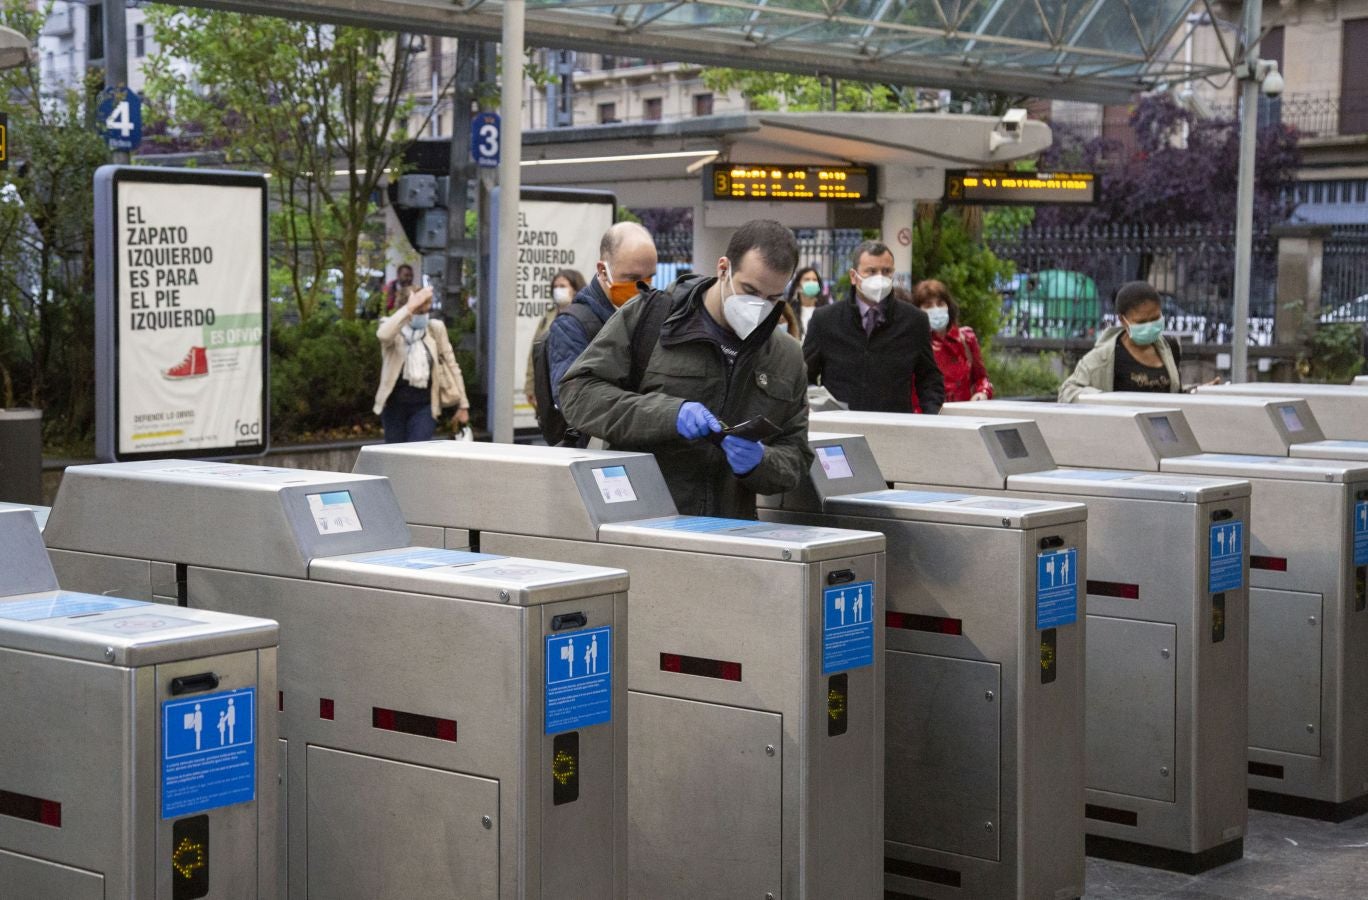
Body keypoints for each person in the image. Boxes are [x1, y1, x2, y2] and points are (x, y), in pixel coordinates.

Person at [559, 219, 813, 519]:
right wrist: (668, 414)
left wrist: (761, 462)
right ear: (723, 269)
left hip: (733, 534)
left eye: (772, 299)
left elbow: (795, 457)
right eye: (749, 290)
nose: (759, 306)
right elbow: (578, 395)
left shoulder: (786, 356)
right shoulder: (652, 319)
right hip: (641, 522)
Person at [803, 239, 945, 414]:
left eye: (886, 271)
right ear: (854, 276)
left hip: (895, 427)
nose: (880, 278)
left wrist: (931, 418)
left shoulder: (914, 321)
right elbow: (804, 376)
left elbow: (929, 378)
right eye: (871, 272)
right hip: (841, 428)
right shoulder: (825, 320)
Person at [545, 223, 658, 410]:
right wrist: (656, 411)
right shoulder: (571, 325)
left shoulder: (651, 313)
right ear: (603, 271)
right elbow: (573, 400)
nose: (643, 288)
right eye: (632, 278)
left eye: (649, 278)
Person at [374, 285, 469, 441]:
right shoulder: (391, 327)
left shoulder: (434, 329)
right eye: (419, 312)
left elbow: (452, 365)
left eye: (426, 312)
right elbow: (383, 336)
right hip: (394, 406)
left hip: (425, 406)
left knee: (417, 453)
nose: (423, 316)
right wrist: (409, 308)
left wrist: (463, 405)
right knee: (395, 456)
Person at [1058, 280, 1182, 402]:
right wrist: (1105, 400)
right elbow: (1067, 392)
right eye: (1141, 322)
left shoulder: (1169, 348)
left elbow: (1176, 391)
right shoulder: (1105, 357)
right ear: (1123, 320)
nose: (1149, 326)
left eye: (1155, 318)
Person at [910, 279, 993, 409]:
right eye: (928, 306)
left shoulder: (966, 338)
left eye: (940, 303)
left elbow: (982, 378)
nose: (936, 310)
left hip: (964, 417)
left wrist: (982, 393)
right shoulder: (914, 343)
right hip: (928, 419)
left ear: (948, 306)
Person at [525, 268, 586, 411]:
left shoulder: (584, 315)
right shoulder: (548, 317)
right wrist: (530, 386)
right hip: (547, 385)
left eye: (563, 286)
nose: (558, 290)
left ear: (575, 289)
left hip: (574, 387)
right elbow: (535, 352)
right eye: (555, 287)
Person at [785, 266, 829, 337]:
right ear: (798, 285)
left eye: (814, 280)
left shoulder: (826, 310)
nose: (811, 282)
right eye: (807, 280)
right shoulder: (790, 310)